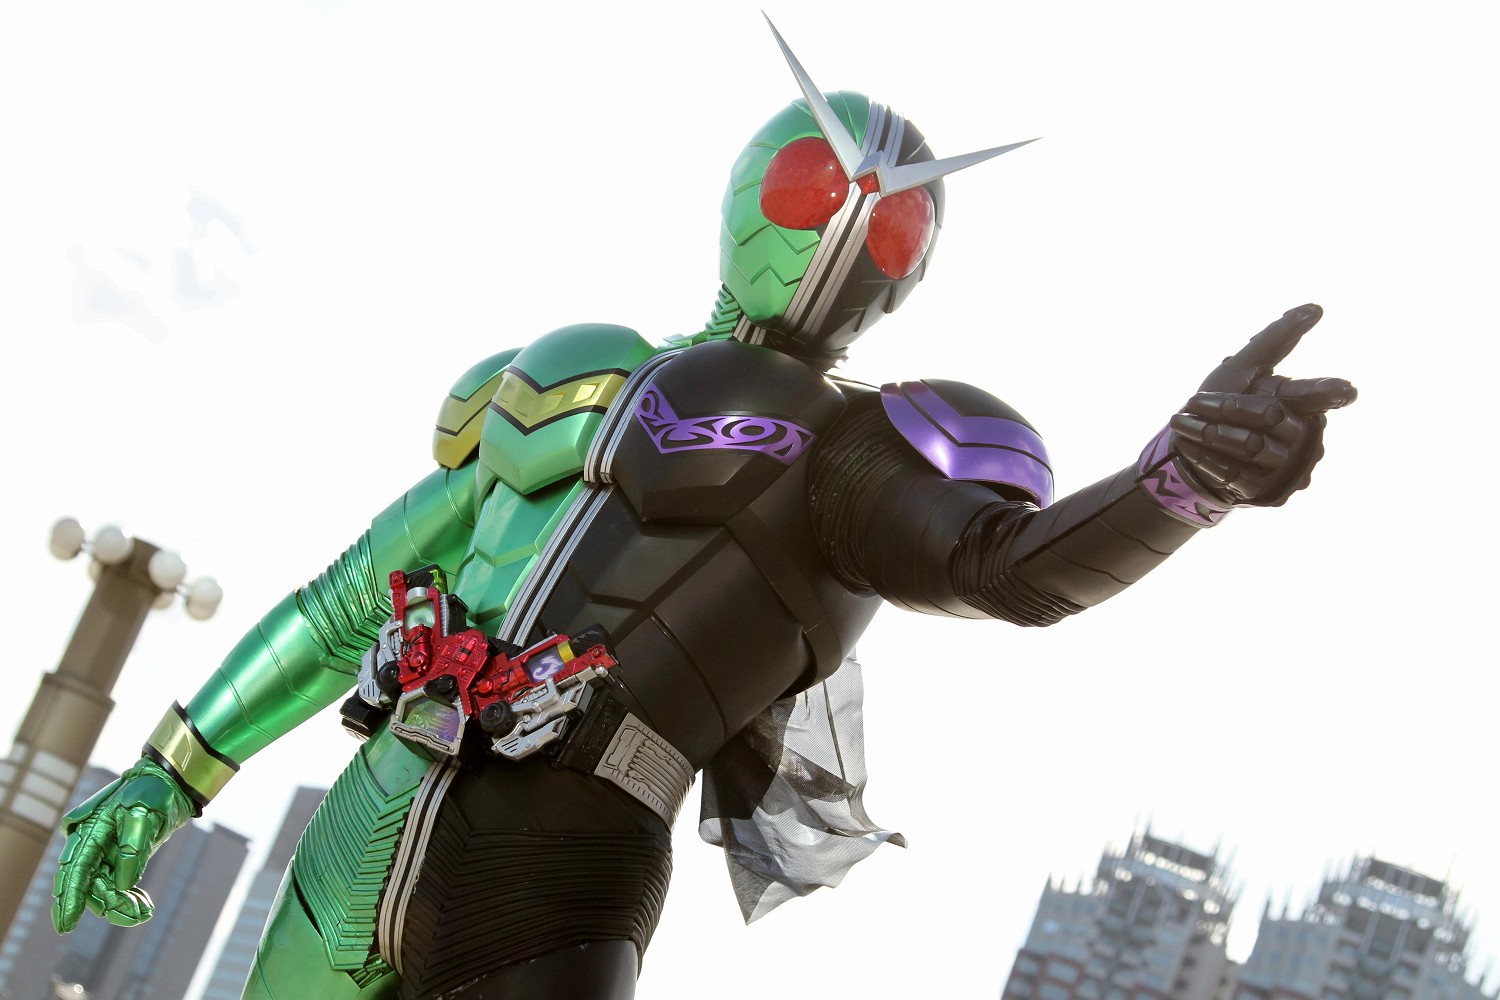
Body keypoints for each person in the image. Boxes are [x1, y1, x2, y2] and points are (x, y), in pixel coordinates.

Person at [51, 22, 1354, 1000]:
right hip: (367, 813)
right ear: (750, 191)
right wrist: (172, 771)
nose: (847, 214)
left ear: (906, 269)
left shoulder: (862, 454)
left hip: (557, 878)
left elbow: (1005, 567)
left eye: (887, 222)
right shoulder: (559, 377)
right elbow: (348, 599)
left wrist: (1184, 480)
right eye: (814, 187)